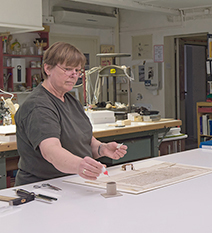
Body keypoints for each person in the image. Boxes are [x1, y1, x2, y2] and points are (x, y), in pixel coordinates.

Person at [15, 42, 128, 186]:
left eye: (78, 70)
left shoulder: (70, 99)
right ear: (48, 68)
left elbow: (85, 140)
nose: (74, 75)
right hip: (43, 187)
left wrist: (102, 148)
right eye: (67, 69)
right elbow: (51, 150)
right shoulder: (38, 105)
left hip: (71, 181)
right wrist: (80, 165)